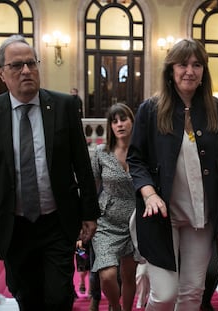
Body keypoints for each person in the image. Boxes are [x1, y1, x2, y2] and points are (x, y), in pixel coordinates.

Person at [0, 34, 100, 310]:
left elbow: (82, 164)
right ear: (1, 72)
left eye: (31, 63)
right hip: (14, 226)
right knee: (26, 296)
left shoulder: (64, 106)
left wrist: (89, 214)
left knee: (59, 297)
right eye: (17, 66)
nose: (26, 71)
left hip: (56, 222)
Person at [127, 38, 218, 310]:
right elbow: (136, 159)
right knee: (166, 295)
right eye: (182, 64)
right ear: (171, 69)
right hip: (160, 216)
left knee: (193, 293)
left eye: (196, 65)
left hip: (201, 217)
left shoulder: (215, 109)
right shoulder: (151, 109)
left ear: (204, 71)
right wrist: (149, 194)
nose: (189, 71)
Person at [91, 103, 139, 311]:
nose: (119, 124)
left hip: (135, 222)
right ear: (110, 126)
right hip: (106, 222)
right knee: (108, 275)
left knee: (128, 275)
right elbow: (91, 188)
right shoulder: (101, 152)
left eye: (123, 119)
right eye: (114, 121)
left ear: (132, 121)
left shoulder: (141, 151)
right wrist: (86, 219)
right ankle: (115, 307)